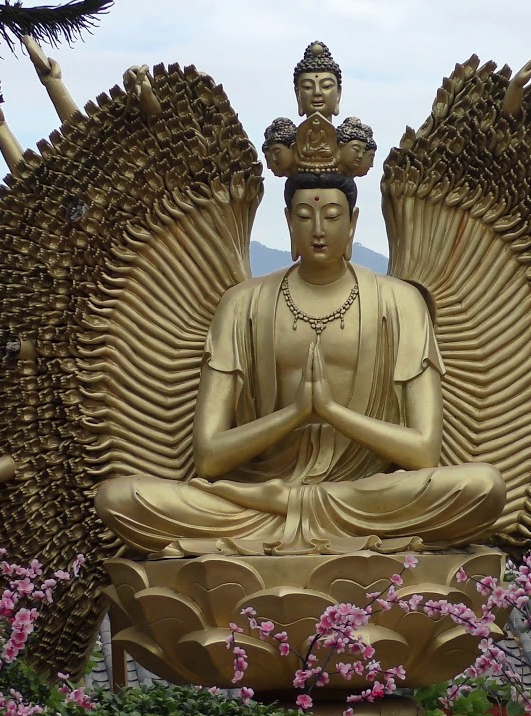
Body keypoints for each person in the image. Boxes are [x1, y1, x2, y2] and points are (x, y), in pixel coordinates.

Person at [94, 172, 505, 557]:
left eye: (331, 216)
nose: (319, 230)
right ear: (289, 222)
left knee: (483, 487)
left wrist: (330, 412)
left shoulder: (400, 303)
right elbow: (208, 457)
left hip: (362, 496)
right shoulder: (242, 304)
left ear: (354, 223)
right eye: (305, 217)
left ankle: (291, 522)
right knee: (118, 499)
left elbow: (423, 452)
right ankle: (302, 523)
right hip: (255, 496)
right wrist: (295, 414)